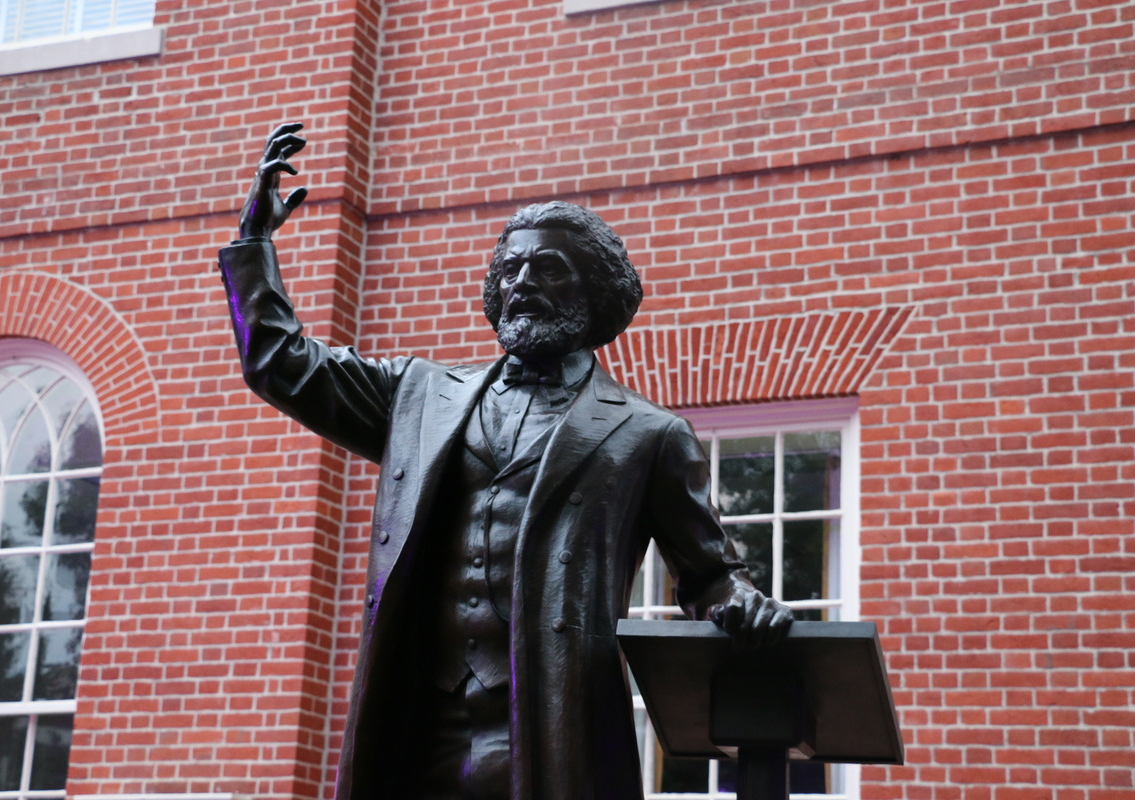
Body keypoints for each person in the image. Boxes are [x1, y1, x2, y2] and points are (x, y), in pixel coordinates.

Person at [217, 123, 793, 800]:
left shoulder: (649, 434)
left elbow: (710, 572)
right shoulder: (419, 396)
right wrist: (254, 246)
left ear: (596, 291)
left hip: (547, 733)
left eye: (548, 268)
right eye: (510, 269)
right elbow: (280, 365)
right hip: (413, 735)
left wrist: (743, 603)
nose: (522, 282)